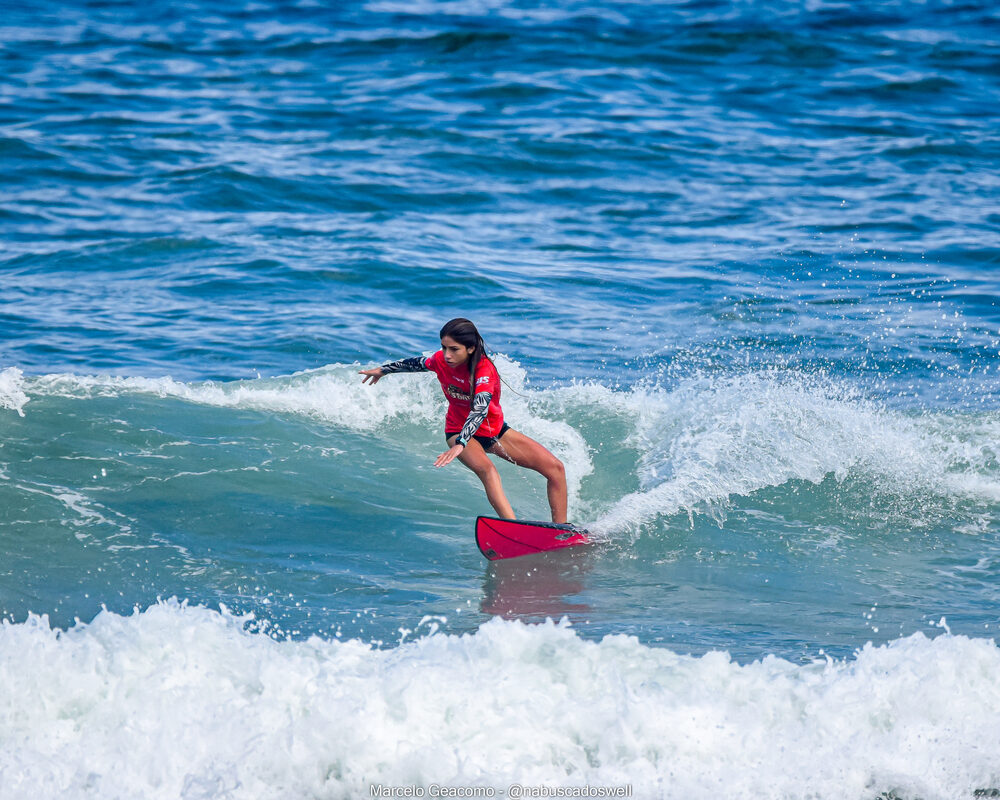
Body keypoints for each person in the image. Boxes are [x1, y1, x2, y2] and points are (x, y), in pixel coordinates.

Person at [359, 318, 568, 523]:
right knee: (488, 471)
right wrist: (383, 370)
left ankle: (561, 529)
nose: (447, 355)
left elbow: (480, 408)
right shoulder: (440, 360)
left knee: (555, 469)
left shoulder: (484, 370)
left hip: (493, 431)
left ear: (470, 348)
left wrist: (461, 445)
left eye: (454, 349)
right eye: (443, 347)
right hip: (457, 430)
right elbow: (417, 363)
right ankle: (513, 527)